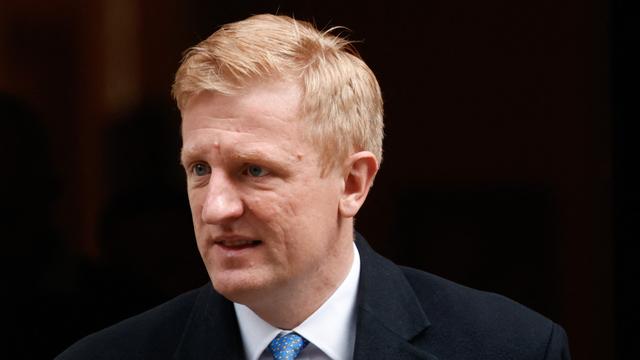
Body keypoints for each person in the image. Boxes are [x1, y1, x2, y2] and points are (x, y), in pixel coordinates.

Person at [57, 14, 571, 359]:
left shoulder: (510, 347)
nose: (215, 207)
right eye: (199, 170)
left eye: (254, 170)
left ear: (353, 182)